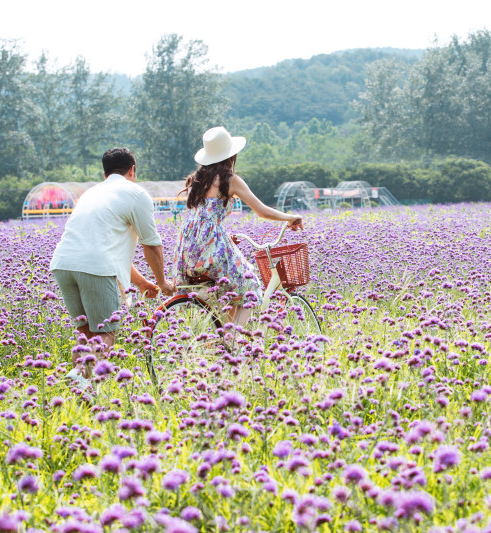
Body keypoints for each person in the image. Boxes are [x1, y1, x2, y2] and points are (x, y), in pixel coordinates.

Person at [50, 147, 174, 385]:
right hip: (95, 267)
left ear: (105, 173)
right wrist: (162, 282)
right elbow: (152, 245)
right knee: (105, 332)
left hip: (63, 264)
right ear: (132, 170)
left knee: (86, 333)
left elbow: (107, 247)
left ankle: (79, 384)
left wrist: (140, 283)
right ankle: (81, 379)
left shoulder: (91, 193)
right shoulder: (136, 194)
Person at [175, 126, 302, 325]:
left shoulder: (197, 180)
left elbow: (203, 220)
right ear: (230, 155)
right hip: (210, 246)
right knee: (250, 285)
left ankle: (224, 336)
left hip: (189, 248)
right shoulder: (229, 180)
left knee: (231, 290)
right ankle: (234, 342)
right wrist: (289, 217)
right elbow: (261, 210)